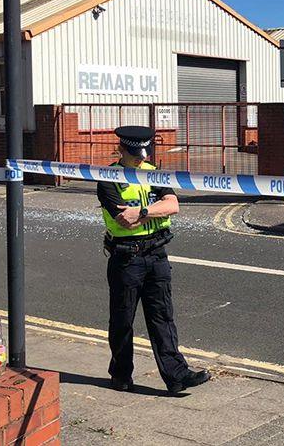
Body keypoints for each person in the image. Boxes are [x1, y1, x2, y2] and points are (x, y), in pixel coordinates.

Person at [96, 125, 210, 394]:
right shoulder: (107, 178)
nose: (142, 158)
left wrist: (143, 211)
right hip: (127, 257)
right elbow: (124, 219)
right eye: (136, 154)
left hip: (157, 253)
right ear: (121, 149)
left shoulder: (154, 173)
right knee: (122, 321)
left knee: (162, 317)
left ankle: (177, 376)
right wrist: (151, 211)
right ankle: (121, 374)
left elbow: (173, 205)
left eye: (144, 153)